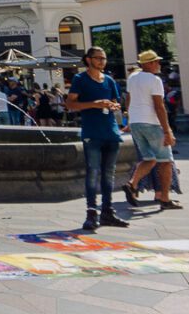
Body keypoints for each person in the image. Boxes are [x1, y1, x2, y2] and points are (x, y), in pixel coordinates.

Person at [66, 47, 129, 231]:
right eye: (98, 58)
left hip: (111, 132)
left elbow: (117, 102)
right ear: (88, 60)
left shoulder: (108, 80)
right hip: (92, 133)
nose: (102, 61)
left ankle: (107, 211)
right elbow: (70, 104)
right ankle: (91, 212)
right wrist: (94, 104)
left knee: (109, 174)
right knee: (93, 172)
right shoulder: (80, 80)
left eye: (104, 58)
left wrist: (114, 105)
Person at [122, 49, 181, 209]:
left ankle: (132, 184)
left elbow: (128, 99)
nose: (158, 64)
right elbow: (159, 106)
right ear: (148, 64)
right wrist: (167, 130)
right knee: (166, 162)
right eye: (155, 61)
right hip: (151, 123)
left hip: (136, 123)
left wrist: (129, 119)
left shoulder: (132, 78)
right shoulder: (154, 80)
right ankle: (165, 198)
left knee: (149, 159)